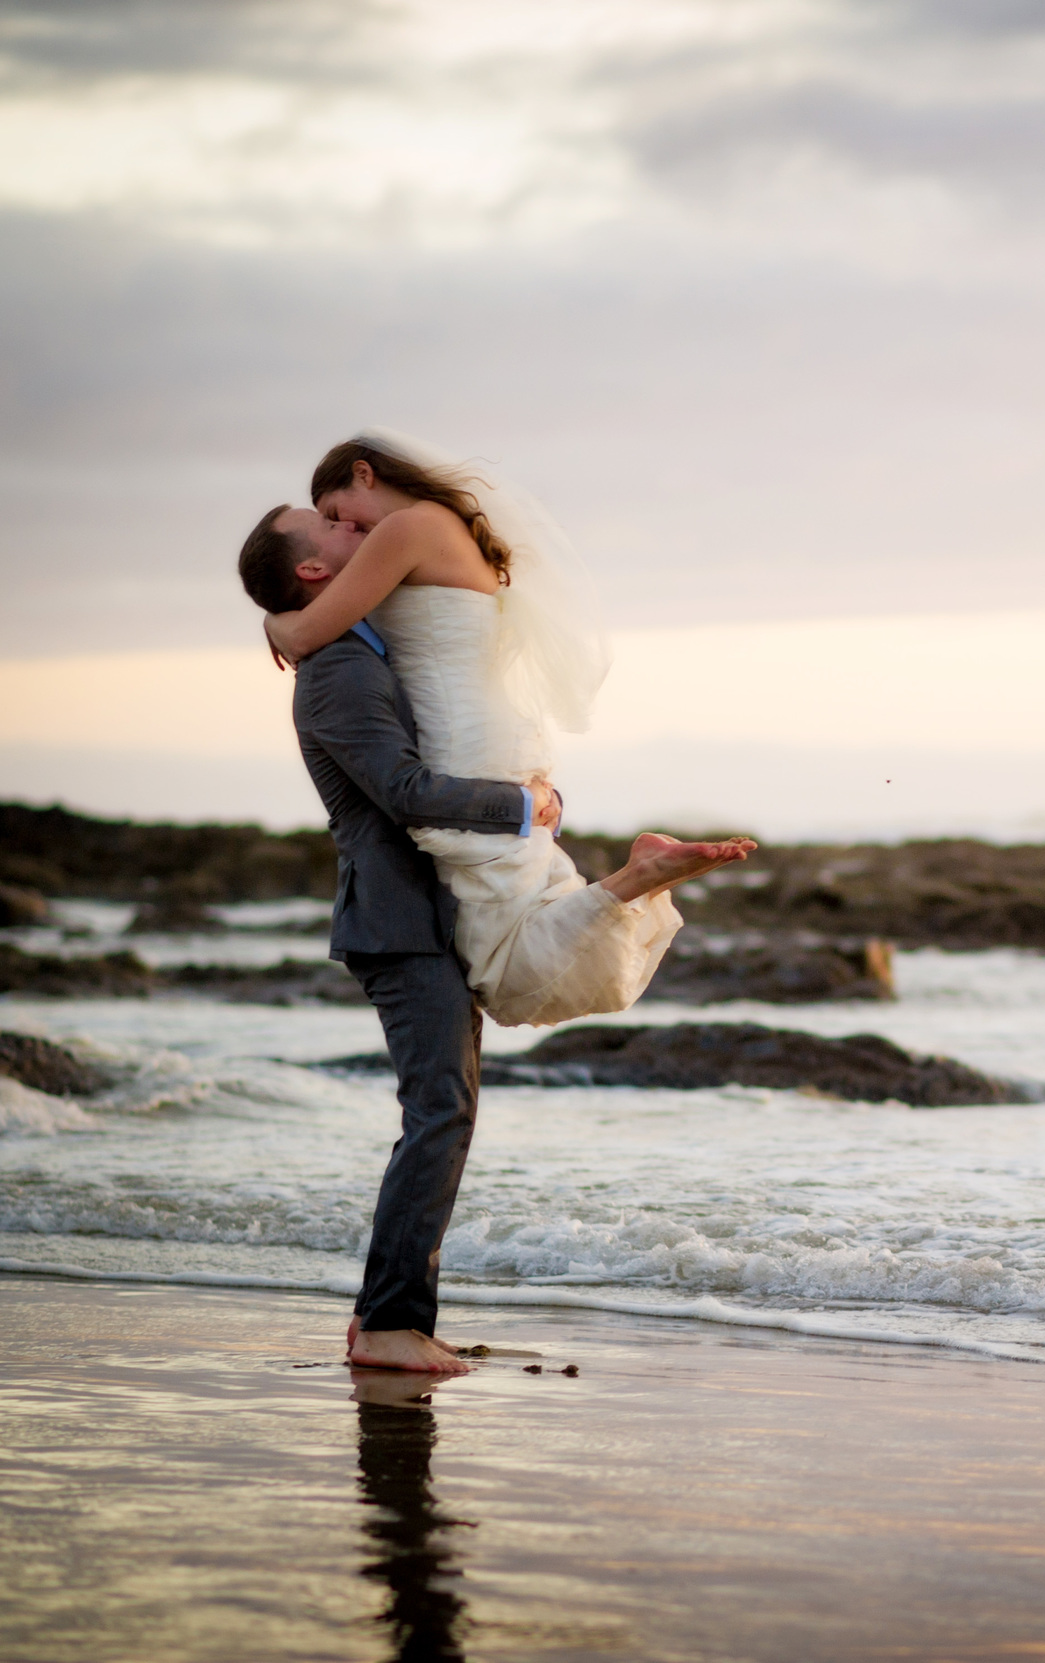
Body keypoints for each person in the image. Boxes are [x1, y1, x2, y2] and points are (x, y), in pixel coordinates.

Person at [237, 448, 751, 1374]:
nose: (349, 529)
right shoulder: (337, 671)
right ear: (315, 571)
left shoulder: (362, 638)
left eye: (343, 513)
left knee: (447, 1106)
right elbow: (401, 789)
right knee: (440, 1110)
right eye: (329, 528)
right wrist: (526, 808)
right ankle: (390, 1325)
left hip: (427, 909)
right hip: (396, 924)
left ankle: (388, 1319)